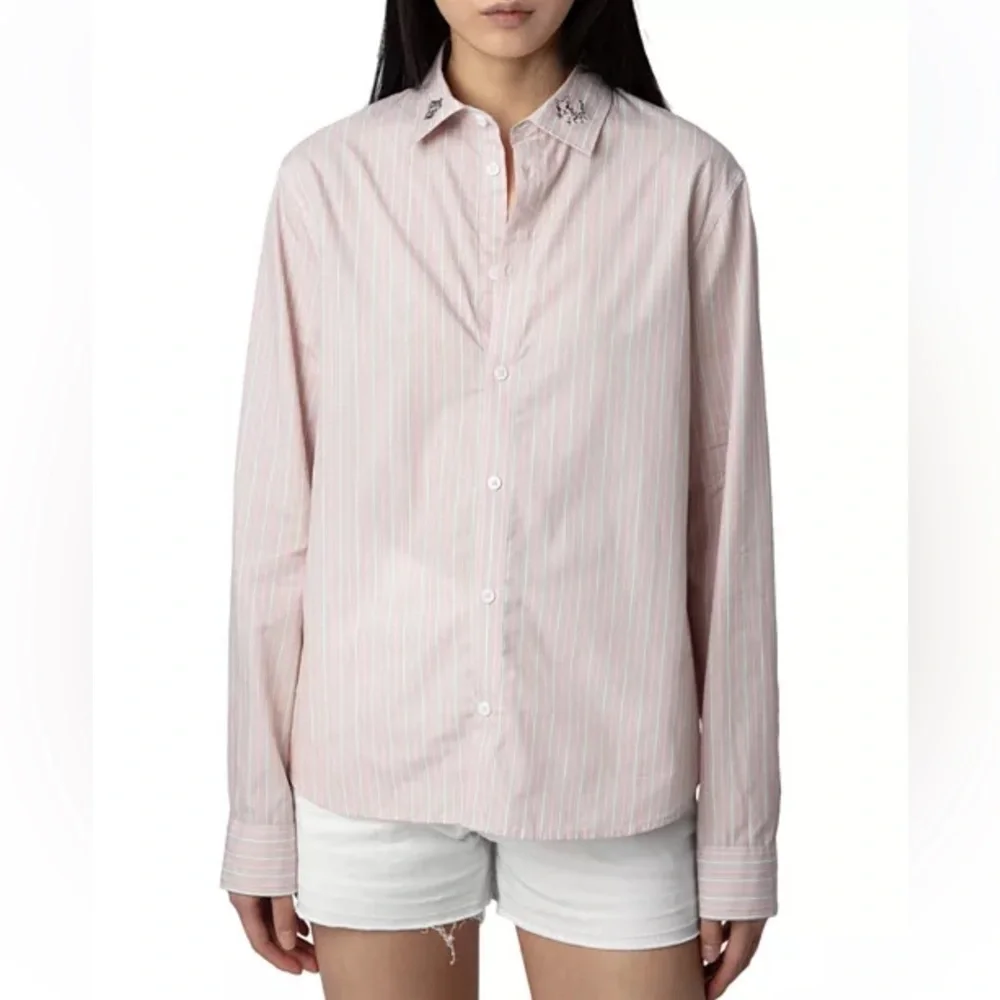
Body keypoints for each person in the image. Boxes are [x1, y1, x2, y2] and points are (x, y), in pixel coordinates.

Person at [219, 1, 780, 998]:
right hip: (375, 765)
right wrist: (259, 814)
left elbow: (727, 529)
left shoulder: (689, 184)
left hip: (610, 773)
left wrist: (740, 833)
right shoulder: (328, 184)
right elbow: (276, 524)